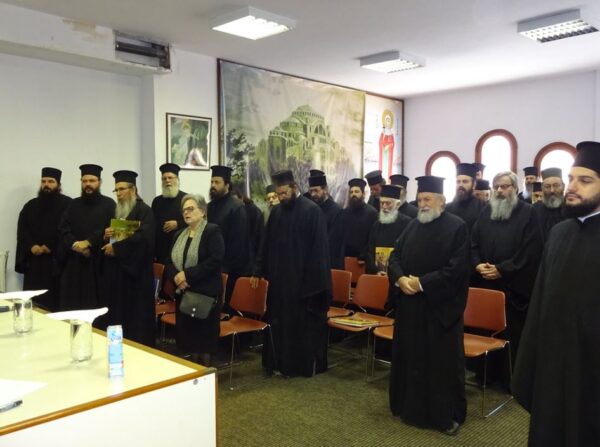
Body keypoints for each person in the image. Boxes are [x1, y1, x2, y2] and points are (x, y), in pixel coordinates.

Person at [513, 141, 600, 446]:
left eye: (585, 180)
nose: (572, 187)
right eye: (571, 178)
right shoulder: (560, 232)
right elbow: (541, 299)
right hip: (553, 358)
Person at [388, 176, 468, 436]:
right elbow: (394, 256)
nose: (422, 204)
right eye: (420, 199)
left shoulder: (457, 228)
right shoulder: (412, 226)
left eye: (427, 199)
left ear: (441, 201)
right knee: (411, 358)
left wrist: (422, 283)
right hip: (411, 309)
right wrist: (400, 278)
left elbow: (456, 270)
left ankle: (443, 416)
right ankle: (408, 408)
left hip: (439, 311)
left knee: (439, 365)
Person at [252, 170, 330, 377]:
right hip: (279, 283)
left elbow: (319, 251)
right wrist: (259, 270)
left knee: (298, 327)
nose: (281, 197)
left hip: (302, 284)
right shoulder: (277, 213)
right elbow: (266, 244)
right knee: (279, 325)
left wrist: (313, 285)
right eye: (279, 194)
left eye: (284, 193)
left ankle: (296, 367)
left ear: (295, 188)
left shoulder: (312, 212)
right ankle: (278, 363)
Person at [471, 171, 542, 366]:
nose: (500, 190)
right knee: (485, 333)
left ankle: (510, 377)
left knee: (512, 337)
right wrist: (477, 264)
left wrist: (502, 269)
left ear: (515, 188)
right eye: (496, 187)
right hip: (486, 284)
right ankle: (485, 375)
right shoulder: (486, 212)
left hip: (514, 289)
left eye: (505, 186)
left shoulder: (529, 213)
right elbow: (473, 243)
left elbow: (531, 251)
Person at [165, 194, 224, 366]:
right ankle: (192, 371)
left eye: (190, 209)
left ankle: (205, 371)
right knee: (188, 339)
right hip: (183, 292)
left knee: (203, 340)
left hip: (205, 293)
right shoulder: (179, 234)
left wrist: (187, 275)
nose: (186, 213)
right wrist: (176, 277)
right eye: (184, 210)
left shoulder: (212, 231)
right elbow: (168, 261)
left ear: (203, 211)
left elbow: (215, 259)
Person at [101, 170, 155, 346]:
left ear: (133, 190)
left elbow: (143, 240)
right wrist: (107, 235)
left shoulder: (145, 211)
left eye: (121, 189)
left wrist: (116, 249)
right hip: (118, 275)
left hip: (137, 278)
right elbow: (116, 237)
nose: (118, 194)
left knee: (136, 319)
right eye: (116, 190)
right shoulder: (118, 211)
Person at [57, 164, 115, 313]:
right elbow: (63, 229)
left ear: (99, 182)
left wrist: (89, 243)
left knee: (97, 308)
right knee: (73, 307)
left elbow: (111, 231)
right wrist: (76, 245)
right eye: (84, 181)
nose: (88, 184)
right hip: (75, 264)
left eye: (92, 180)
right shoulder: (73, 204)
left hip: (99, 264)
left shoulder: (109, 204)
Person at [15, 167, 71, 310]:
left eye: (51, 181)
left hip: (56, 264)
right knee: (32, 304)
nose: (46, 185)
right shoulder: (30, 206)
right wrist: (31, 246)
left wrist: (51, 246)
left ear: (58, 184)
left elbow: (68, 231)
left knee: (55, 304)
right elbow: (23, 230)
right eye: (44, 181)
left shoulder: (68, 205)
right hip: (34, 264)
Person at [207, 165, 251, 305]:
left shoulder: (236, 207)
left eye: (217, 182)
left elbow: (238, 243)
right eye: (212, 182)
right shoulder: (210, 207)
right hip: (212, 267)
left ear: (227, 185)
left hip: (230, 270)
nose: (213, 185)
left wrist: (225, 268)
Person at [365, 184, 411, 275]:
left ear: (397, 204)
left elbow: (408, 253)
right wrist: (376, 270)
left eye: (388, 203)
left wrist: (395, 273)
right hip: (378, 275)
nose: (384, 206)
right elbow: (370, 251)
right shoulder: (377, 224)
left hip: (398, 277)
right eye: (382, 203)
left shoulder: (407, 223)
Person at [151, 163, 187, 264]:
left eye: (170, 177)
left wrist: (178, 224)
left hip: (181, 250)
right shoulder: (157, 201)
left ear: (177, 179)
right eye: (164, 178)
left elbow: (195, 222)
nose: (167, 180)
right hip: (161, 251)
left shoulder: (186, 199)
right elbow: (153, 226)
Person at [308, 169, 344, 269]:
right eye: (311, 191)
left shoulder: (336, 211)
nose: (313, 194)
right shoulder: (310, 210)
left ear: (325, 190)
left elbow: (333, 242)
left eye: (316, 190)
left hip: (329, 262)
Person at [340, 178, 378, 264]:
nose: (353, 194)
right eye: (351, 192)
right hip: (346, 258)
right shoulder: (345, 212)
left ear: (363, 194)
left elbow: (372, 238)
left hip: (364, 260)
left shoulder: (372, 213)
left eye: (357, 192)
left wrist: (364, 255)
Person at [445, 163, 485, 232]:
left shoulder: (482, 207)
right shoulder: (447, 208)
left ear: (474, 185)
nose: (460, 185)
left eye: (465, 181)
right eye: (458, 182)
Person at [231, 186, 264, 268]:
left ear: (241, 199)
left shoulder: (254, 212)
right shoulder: (231, 213)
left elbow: (259, 239)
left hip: (251, 258)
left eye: (235, 201)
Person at [533, 167, 567, 242]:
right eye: (547, 186)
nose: (552, 190)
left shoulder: (572, 208)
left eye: (556, 185)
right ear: (542, 188)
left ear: (563, 186)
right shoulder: (534, 210)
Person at [379, 109, 395, 179]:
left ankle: (388, 179)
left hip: (389, 153)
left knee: (388, 167)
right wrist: (383, 146)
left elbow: (393, 143)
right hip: (383, 153)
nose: (387, 122)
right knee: (383, 166)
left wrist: (388, 146)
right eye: (386, 121)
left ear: (390, 122)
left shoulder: (391, 133)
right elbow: (380, 142)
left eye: (388, 121)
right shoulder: (383, 133)